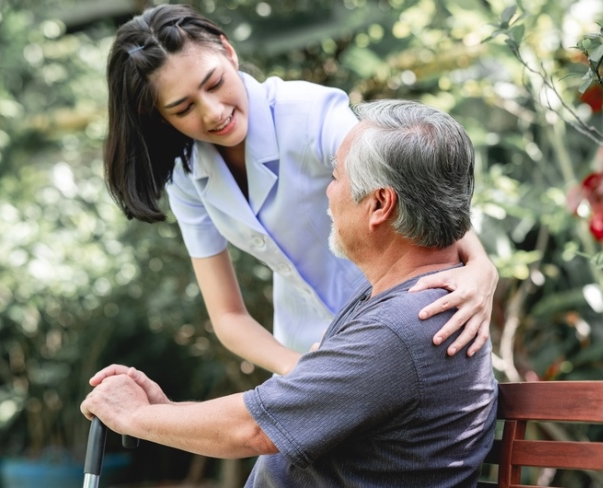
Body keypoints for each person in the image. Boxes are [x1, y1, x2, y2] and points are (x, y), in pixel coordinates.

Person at [83, 99, 498, 487]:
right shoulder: (398, 304)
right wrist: (162, 413)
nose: (328, 192)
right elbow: (269, 416)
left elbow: (252, 429)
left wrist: (135, 416)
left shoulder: (401, 329)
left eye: (335, 176)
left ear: (379, 205)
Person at [103, 3, 499, 375]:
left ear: (228, 52)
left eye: (214, 83)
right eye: (183, 108)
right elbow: (228, 317)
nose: (213, 112)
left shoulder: (306, 112)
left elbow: (411, 185)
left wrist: (481, 267)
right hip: (307, 346)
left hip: (405, 323)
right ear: (157, 116)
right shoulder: (188, 176)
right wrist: (302, 370)